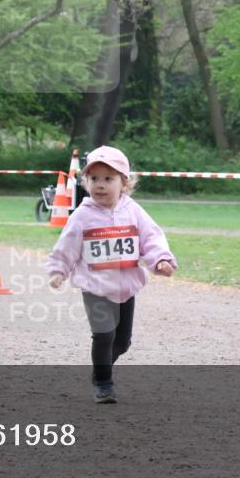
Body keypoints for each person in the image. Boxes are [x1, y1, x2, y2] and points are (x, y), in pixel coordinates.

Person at [47, 146, 176, 403]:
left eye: (109, 179)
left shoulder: (134, 211)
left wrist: (161, 260)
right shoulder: (82, 215)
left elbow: (150, 238)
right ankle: (104, 383)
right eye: (94, 179)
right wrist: (58, 270)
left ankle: (101, 366)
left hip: (126, 286)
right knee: (104, 334)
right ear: (86, 182)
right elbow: (67, 244)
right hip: (95, 287)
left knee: (121, 343)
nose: (100, 185)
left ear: (124, 183)